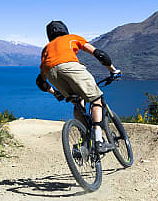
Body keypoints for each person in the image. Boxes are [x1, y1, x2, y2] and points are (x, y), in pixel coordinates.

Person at [35, 20, 121, 152]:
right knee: (96, 99)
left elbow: (41, 82)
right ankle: (98, 140)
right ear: (65, 29)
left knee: (78, 102)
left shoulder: (46, 49)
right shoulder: (72, 38)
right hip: (71, 67)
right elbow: (100, 54)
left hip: (51, 73)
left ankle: (85, 138)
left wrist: (55, 93)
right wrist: (113, 70)